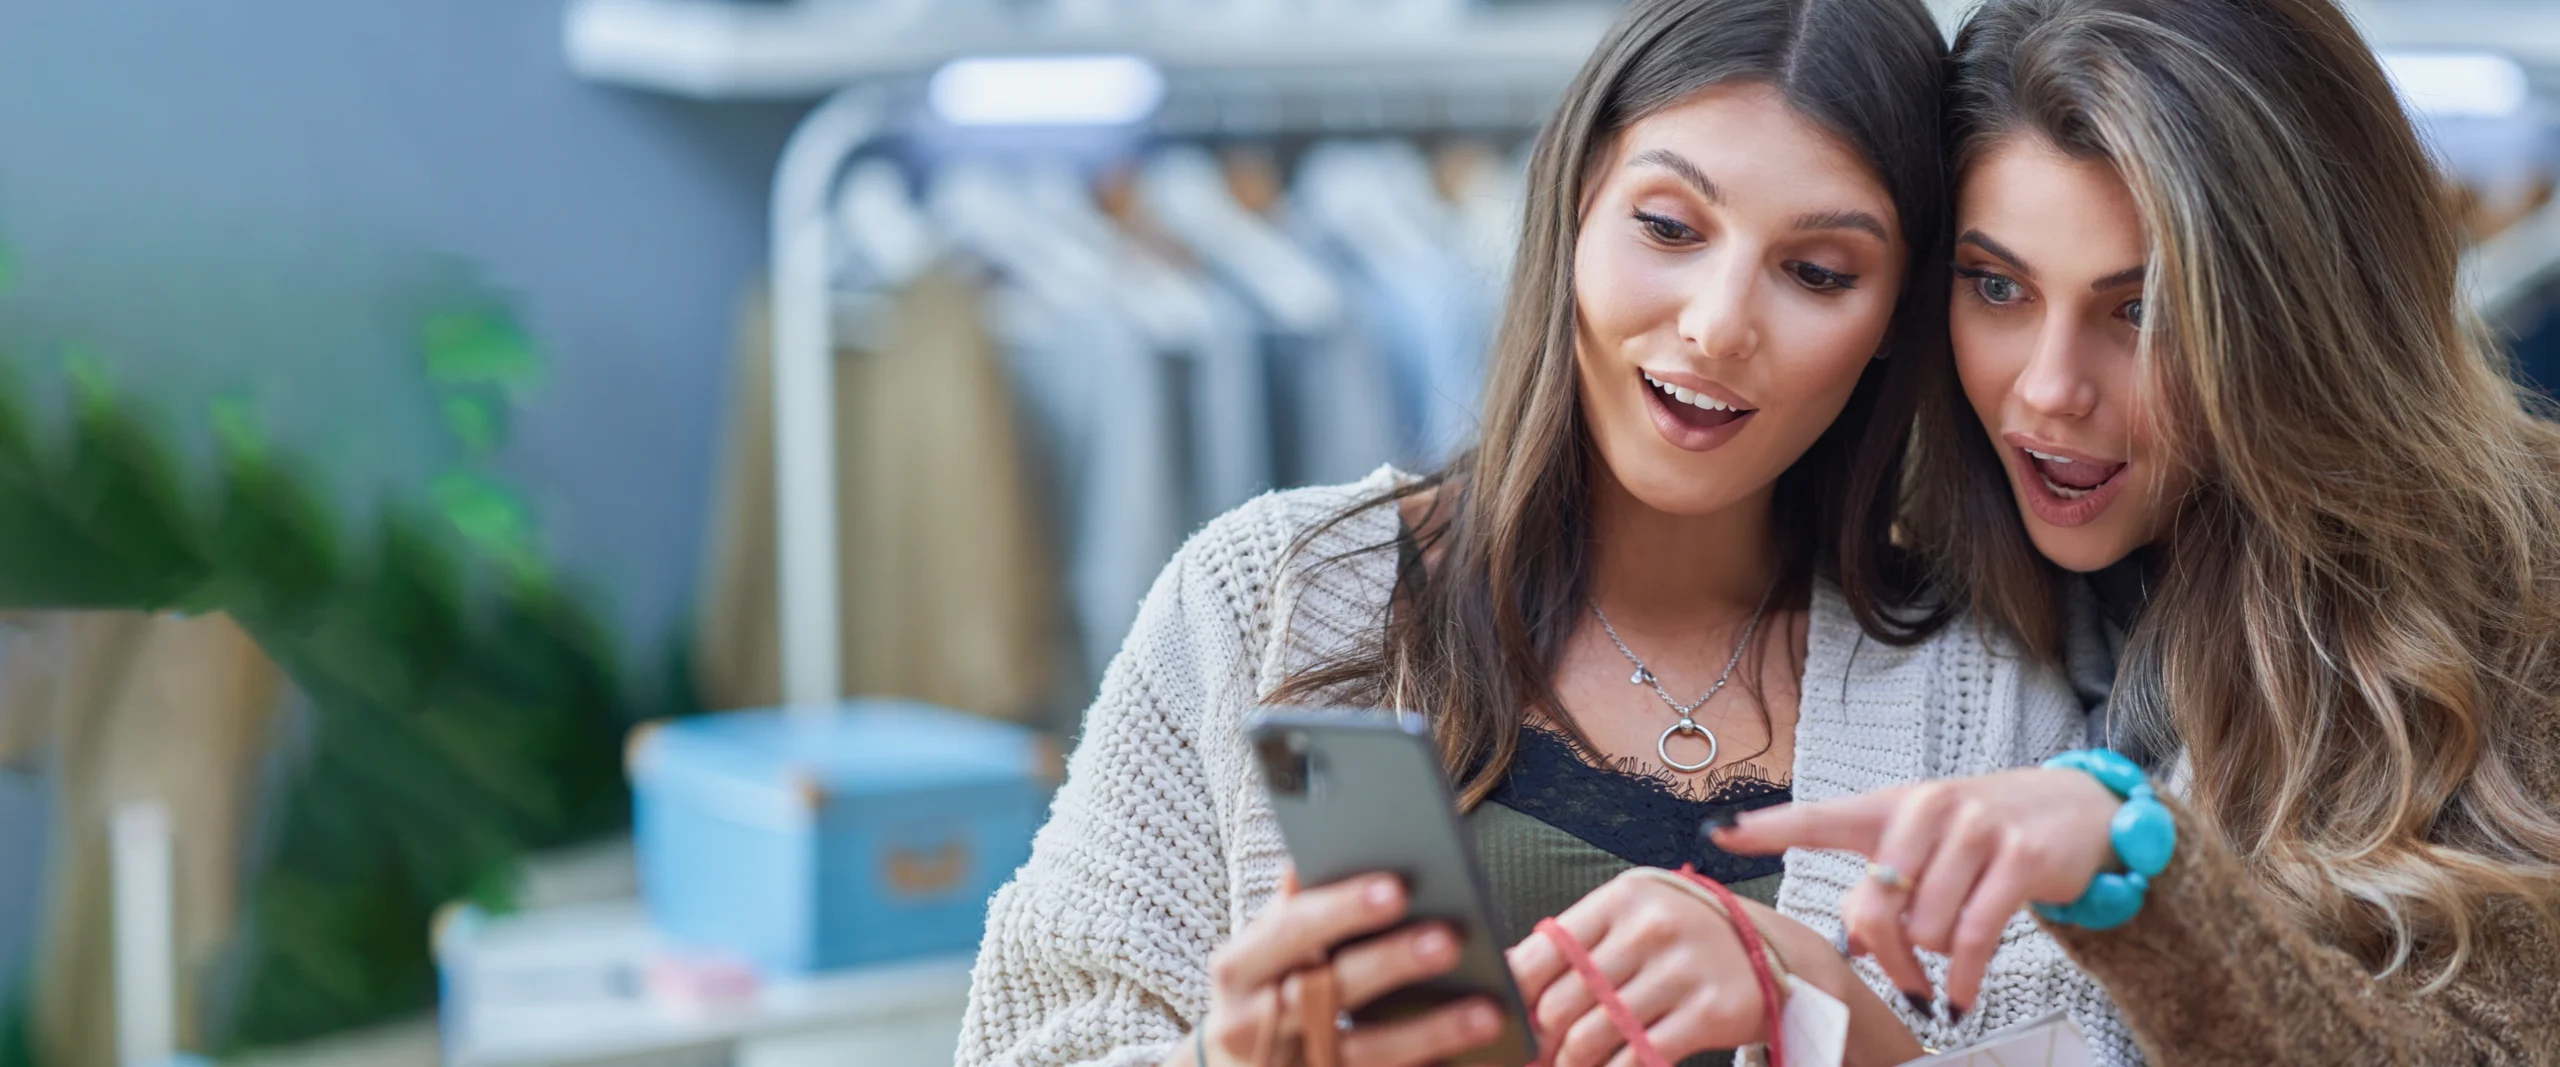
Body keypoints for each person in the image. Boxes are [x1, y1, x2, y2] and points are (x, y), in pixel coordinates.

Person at [958, 0, 2133, 1064]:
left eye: (1818, 271)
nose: (1719, 325)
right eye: (1669, 226)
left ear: (1892, 318)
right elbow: (1028, 1040)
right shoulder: (1266, 594)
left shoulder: (1978, 694)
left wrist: (1808, 1001)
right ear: (1574, 209)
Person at [1717, 0, 2560, 1061]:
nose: (2049, 387)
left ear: (2307, 319)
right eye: (1996, 286)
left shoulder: (2522, 586)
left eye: (2143, 308)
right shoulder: (1906, 579)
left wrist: (2139, 877)